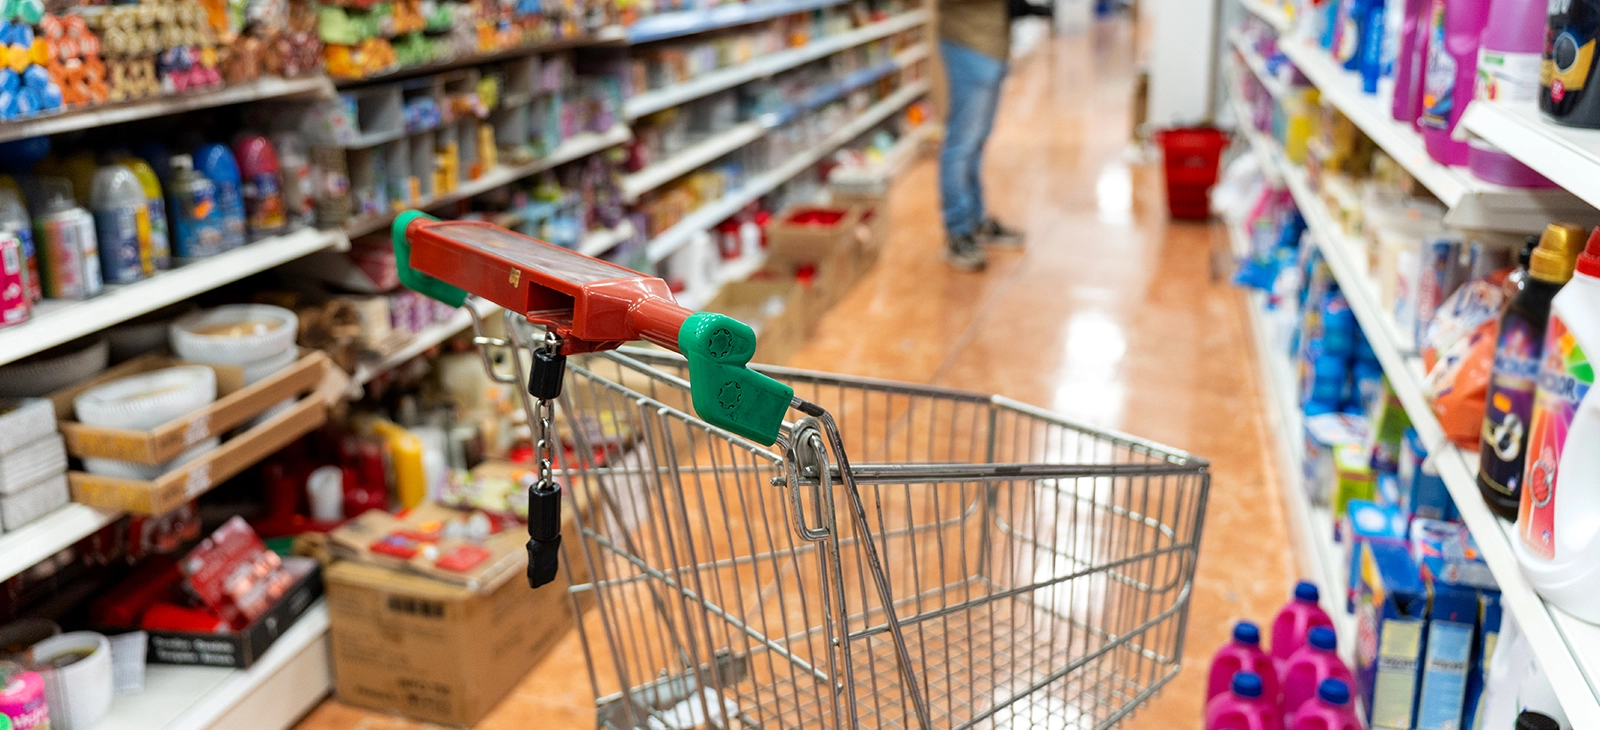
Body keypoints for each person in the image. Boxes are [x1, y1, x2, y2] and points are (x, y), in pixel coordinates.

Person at [939, 0, 1025, 271]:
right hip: (969, 43)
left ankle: (975, 220)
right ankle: (958, 231)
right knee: (961, 143)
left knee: (976, 141)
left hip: (993, 43)